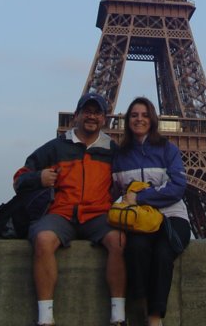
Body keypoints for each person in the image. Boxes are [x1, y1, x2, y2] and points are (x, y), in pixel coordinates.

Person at [13, 93, 127, 326]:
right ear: (76, 115)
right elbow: (19, 179)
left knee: (121, 241)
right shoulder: (54, 148)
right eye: (87, 111)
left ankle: (119, 316)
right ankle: (45, 318)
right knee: (43, 239)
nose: (91, 116)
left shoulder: (113, 150)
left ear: (104, 119)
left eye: (97, 112)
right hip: (61, 214)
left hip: (97, 215)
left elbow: (126, 181)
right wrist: (39, 177)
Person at [112, 97, 191, 326]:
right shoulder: (121, 155)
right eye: (135, 115)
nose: (140, 119)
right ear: (128, 120)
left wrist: (139, 197)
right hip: (140, 221)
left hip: (171, 216)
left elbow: (178, 187)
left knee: (163, 254)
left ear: (153, 119)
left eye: (145, 115)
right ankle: (146, 307)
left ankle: (154, 320)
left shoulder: (168, 149)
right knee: (135, 250)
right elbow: (109, 191)